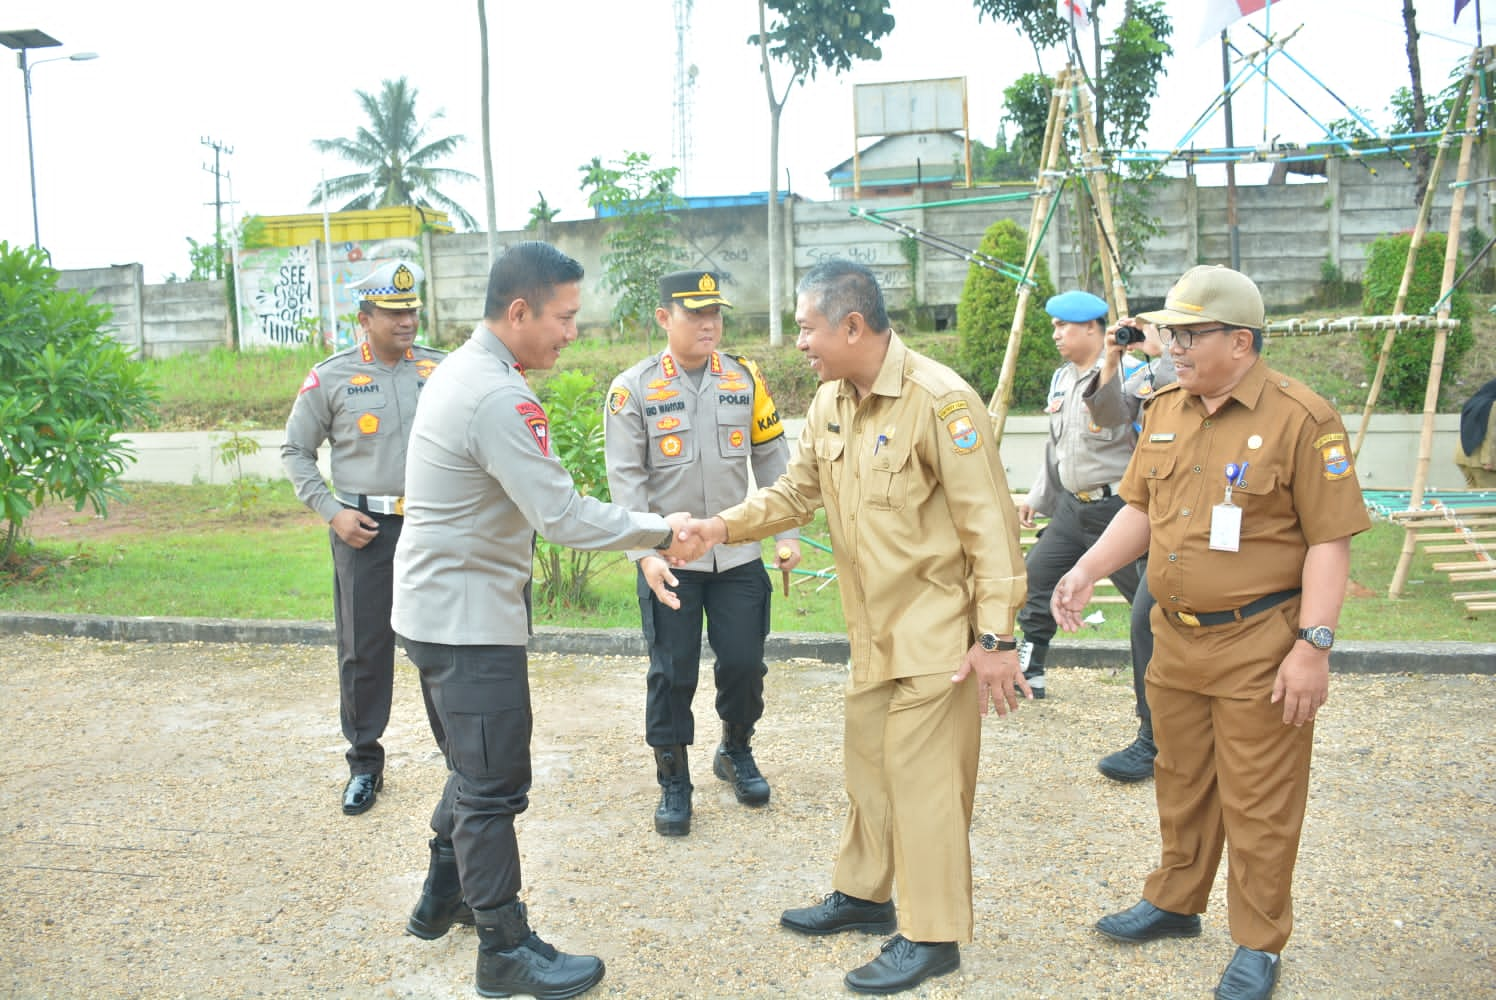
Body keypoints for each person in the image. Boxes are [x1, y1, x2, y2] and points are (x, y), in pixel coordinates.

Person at [680, 259, 1029, 996]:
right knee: (869, 767)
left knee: (925, 783)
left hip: (938, 636)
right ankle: (867, 896)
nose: (800, 342)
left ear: (851, 325)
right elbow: (796, 491)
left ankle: (933, 936)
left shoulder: (941, 402)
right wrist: (721, 525)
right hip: (873, 634)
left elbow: (990, 529)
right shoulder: (836, 402)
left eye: (807, 328)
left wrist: (997, 638)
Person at [390, 241, 704, 1000]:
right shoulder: (498, 395)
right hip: (467, 621)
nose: (573, 332)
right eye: (564, 317)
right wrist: (661, 530)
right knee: (494, 783)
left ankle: (444, 896)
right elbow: (561, 515)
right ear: (520, 310)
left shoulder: (464, 371)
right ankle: (503, 948)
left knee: (475, 769)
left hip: (438, 610)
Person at [1051, 265, 1371, 1000]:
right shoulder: (1165, 406)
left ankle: (1259, 942)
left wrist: (1313, 646)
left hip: (1260, 639)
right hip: (1176, 637)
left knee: (1260, 795)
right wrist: (1088, 569)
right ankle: (1174, 900)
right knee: (1182, 777)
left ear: (1242, 341)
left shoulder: (1302, 418)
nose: (1175, 346)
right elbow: (1139, 507)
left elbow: (1330, 542)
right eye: (1174, 333)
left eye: (1192, 335)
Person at [603, 270, 801, 837]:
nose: (710, 322)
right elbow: (627, 484)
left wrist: (784, 532)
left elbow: (771, 459)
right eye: (696, 313)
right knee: (673, 673)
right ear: (665, 318)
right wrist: (646, 555)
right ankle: (673, 778)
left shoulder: (744, 378)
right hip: (671, 562)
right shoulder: (632, 389)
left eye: (716, 312)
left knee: (744, 664)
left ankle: (735, 749)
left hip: (736, 555)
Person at [280, 259, 446, 816]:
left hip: (429, 528)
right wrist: (331, 512)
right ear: (365, 317)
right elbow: (296, 451)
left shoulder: (440, 371)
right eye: (394, 312)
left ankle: (461, 759)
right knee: (363, 651)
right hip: (364, 532)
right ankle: (364, 764)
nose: (406, 321)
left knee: (441, 644)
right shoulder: (331, 377)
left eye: (412, 310)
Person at [1014, 291, 1145, 706]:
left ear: (1093, 328)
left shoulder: (1134, 374)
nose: (1056, 334)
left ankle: (1168, 679)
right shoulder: (1062, 378)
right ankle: (1030, 669)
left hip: (1119, 509)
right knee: (1036, 578)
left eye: (1063, 325)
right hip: (1072, 507)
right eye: (1054, 325)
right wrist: (1039, 496)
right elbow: (1059, 448)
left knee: (1146, 600)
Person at [1079, 317, 1178, 782]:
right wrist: (1114, 357)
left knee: (1157, 625)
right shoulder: (1148, 372)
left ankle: (1179, 738)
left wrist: (1163, 352)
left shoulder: (1182, 367)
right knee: (1145, 623)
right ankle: (1153, 740)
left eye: (1167, 329)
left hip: (1201, 527)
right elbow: (1107, 414)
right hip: (1154, 517)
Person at [1453, 376, 1496, 488]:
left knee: (1472, 496)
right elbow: (1490, 434)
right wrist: (1487, 460)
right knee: (1489, 499)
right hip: (1480, 461)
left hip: (1463, 457)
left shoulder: (1473, 402)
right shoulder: (1492, 405)